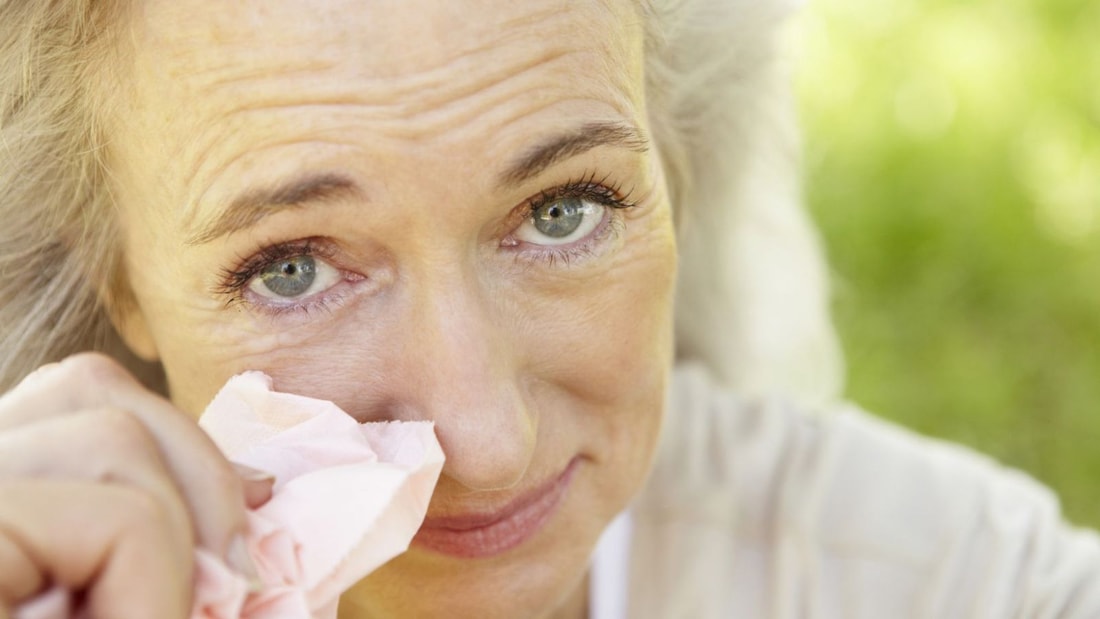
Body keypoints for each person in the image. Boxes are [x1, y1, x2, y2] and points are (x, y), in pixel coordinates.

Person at [0, 0, 1096, 617]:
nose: (483, 441)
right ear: (119, 286)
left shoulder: (943, 581)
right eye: (292, 267)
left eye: (563, 209)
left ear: (673, 167)